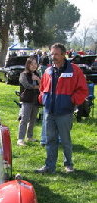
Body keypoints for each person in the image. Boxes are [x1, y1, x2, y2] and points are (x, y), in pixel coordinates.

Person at [35, 43, 88, 173]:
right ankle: (49, 166)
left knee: (65, 140)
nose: (53, 56)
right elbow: (42, 88)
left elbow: (83, 90)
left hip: (64, 112)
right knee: (50, 140)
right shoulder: (48, 71)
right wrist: (42, 98)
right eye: (52, 54)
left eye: (56, 54)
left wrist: (72, 101)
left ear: (64, 54)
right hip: (49, 112)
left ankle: (68, 164)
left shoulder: (74, 70)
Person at [17, 56, 41, 146]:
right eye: (32, 64)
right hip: (27, 100)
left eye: (35, 63)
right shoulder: (23, 74)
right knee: (24, 119)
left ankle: (29, 137)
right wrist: (37, 86)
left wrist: (38, 79)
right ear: (28, 65)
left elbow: (43, 84)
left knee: (33, 120)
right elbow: (27, 85)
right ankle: (20, 139)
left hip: (36, 100)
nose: (34, 65)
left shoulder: (37, 74)